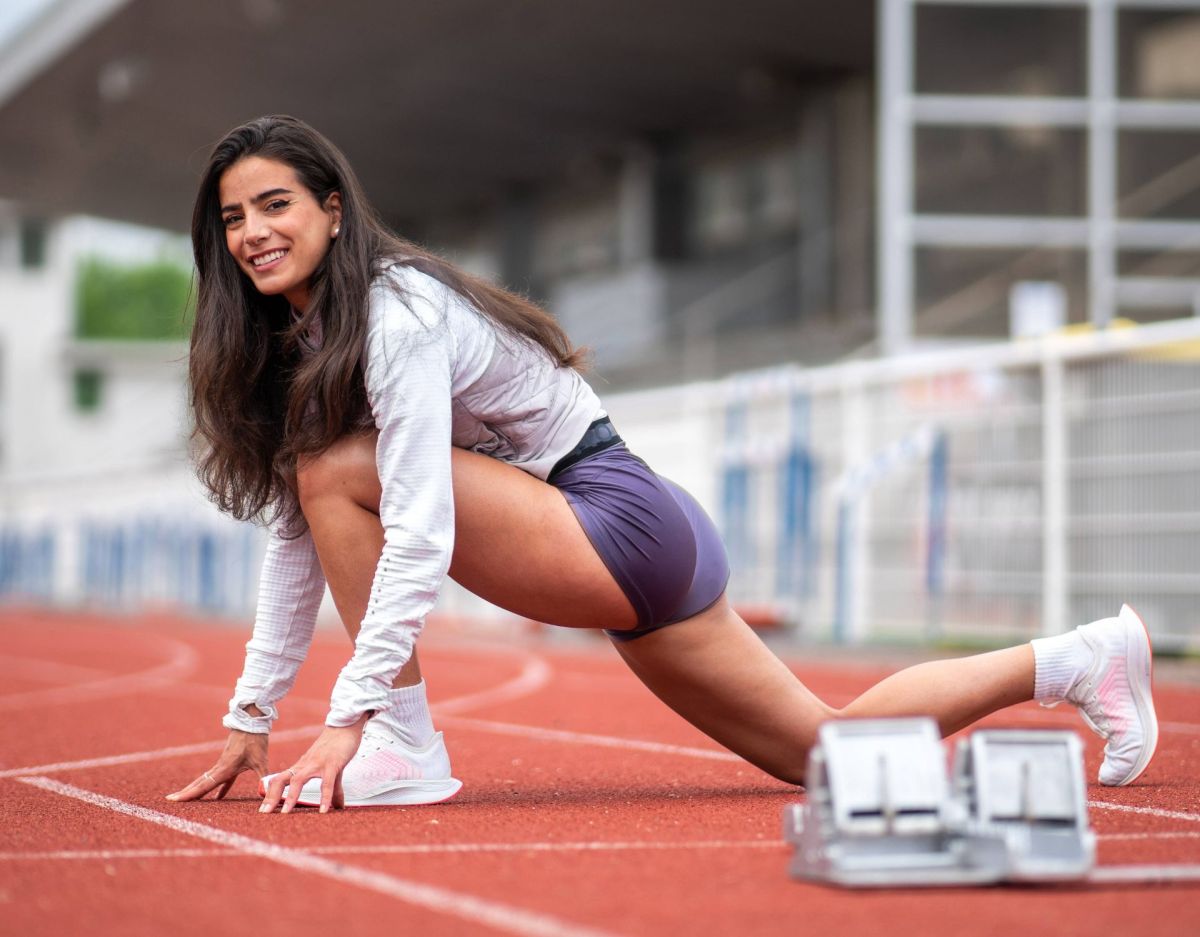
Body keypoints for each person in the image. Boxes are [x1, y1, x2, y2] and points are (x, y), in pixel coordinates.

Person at [166, 115, 1157, 814]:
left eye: (275, 204)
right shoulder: (306, 346)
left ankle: (408, 747)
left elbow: (415, 524)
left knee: (338, 467)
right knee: (832, 752)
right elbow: (302, 534)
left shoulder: (399, 314)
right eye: (233, 218)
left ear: (334, 209)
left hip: (610, 517)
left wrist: (355, 719)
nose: (253, 232)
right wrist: (252, 714)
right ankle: (1079, 657)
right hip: (632, 532)